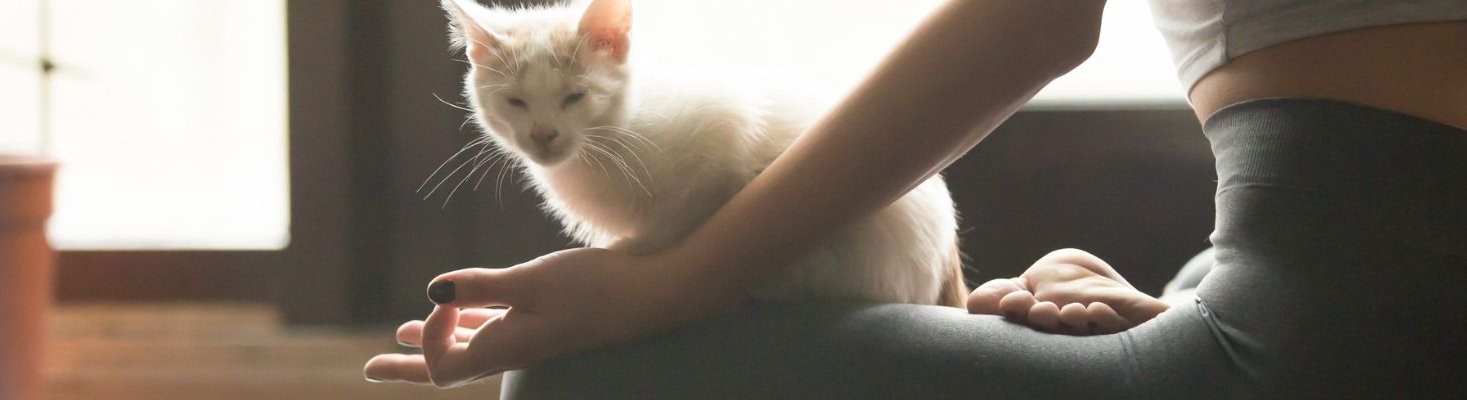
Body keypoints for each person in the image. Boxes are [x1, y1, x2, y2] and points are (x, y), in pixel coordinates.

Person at [365, 0, 1467, 397]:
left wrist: (663, 285)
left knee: (578, 381)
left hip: (1315, 357)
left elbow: (1035, 18)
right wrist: (1192, 301)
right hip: (1365, 329)